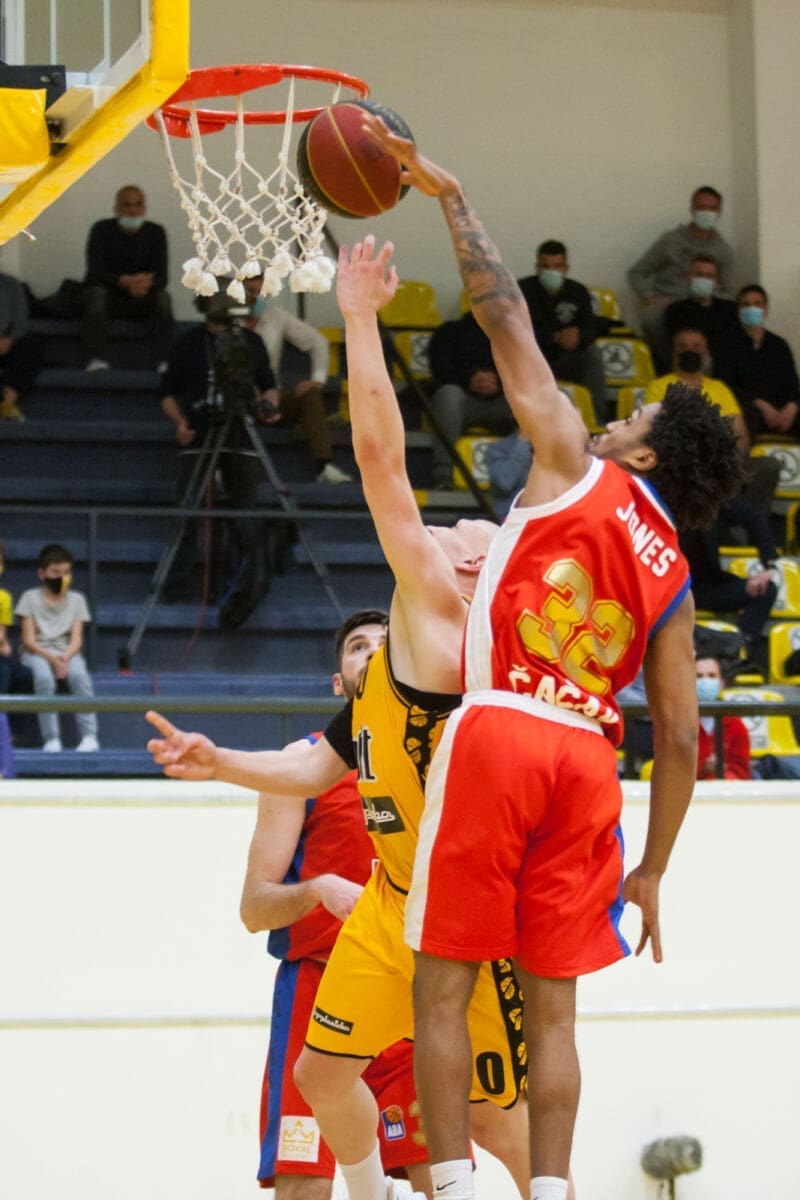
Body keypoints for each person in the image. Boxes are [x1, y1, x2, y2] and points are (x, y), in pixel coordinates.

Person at [355, 118, 743, 1200]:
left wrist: (451, 197)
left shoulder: (573, 459)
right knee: (556, 1011)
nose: (618, 418)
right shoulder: (673, 574)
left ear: (647, 450)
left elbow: (502, 314)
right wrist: (652, 868)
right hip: (587, 763)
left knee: (442, 980)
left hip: (505, 730)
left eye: (637, 416)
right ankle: (556, 1188)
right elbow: (679, 738)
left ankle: (451, 1184)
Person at [147, 237, 547, 1199]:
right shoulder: (385, 672)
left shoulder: (449, 624)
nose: (454, 527)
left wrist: (359, 318)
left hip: (457, 913)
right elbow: (314, 769)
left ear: (471, 573)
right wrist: (218, 759)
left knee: (499, 1118)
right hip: (386, 905)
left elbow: (378, 459)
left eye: (469, 532)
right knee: (321, 1076)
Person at [243, 608, 431, 1197]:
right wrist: (317, 889)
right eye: (357, 646)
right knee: (303, 1186)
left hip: (409, 988)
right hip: (317, 989)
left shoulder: (437, 754)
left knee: (441, 1177)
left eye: (385, 642)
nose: (372, 651)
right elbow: (253, 908)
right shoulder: (299, 764)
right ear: (337, 682)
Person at [159, 292, 278, 603]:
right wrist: (181, 423)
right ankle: (175, 582)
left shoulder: (251, 341)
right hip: (199, 433)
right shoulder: (187, 343)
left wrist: (267, 405)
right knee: (188, 511)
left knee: (244, 512)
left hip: (240, 433)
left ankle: (246, 586)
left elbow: (269, 385)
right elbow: (167, 393)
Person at [243, 277, 352, 484]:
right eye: (251, 291)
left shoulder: (276, 317)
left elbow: (318, 342)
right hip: (239, 396)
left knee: (309, 395)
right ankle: (218, 470)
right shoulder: (225, 321)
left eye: (261, 291)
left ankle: (324, 466)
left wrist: (317, 379)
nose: (257, 297)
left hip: (272, 396)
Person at [628, 185, 734, 372]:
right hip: (670, 304)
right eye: (702, 207)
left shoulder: (723, 251)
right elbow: (636, 272)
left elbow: (728, 291)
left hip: (704, 306)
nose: (707, 212)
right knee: (651, 316)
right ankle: (670, 368)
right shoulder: (670, 240)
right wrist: (650, 297)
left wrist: (712, 299)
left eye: (712, 208)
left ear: (719, 212)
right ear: (692, 209)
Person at [15, 543, 100, 752]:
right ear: (42, 573)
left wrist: (65, 657)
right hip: (36, 653)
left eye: (66, 572)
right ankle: (52, 739)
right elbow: (28, 641)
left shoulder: (78, 600)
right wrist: (52, 659)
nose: (62, 577)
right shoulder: (29, 598)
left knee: (80, 677)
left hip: (68, 653)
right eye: (55, 572)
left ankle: (90, 737)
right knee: (44, 678)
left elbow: (77, 639)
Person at [82, 184, 173, 370]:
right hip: (110, 297)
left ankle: (163, 361)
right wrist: (123, 282)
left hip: (142, 297)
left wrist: (142, 285)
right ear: (116, 209)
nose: (132, 210)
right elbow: (93, 274)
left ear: (144, 208)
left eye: (137, 205)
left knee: (163, 298)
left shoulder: (156, 232)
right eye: (127, 205)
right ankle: (95, 358)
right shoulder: (101, 230)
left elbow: (161, 278)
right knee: (95, 296)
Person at [679, 495, 779, 665]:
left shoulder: (708, 501)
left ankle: (739, 651)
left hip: (707, 587)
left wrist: (770, 564)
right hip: (669, 592)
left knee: (765, 590)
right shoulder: (658, 505)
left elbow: (752, 515)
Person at [517, 240, 608, 422]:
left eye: (557, 266)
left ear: (566, 269)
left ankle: (597, 420)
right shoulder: (521, 290)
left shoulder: (578, 291)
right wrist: (554, 337)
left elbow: (590, 328)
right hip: (533, 358)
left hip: (567, 358)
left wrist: (578, 336)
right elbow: (516, 331)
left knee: (593, 354)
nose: (551, 271)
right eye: (545, 266)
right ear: (537, 268)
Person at [426, 311, 517, 488]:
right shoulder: (449, 331)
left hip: (503, 402)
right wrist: (469, 379)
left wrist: (499, 382)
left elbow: (527, 372)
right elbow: (439, 369)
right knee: (448, 394)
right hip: (463, 401)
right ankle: (443, 474)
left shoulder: (512, 334)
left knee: (532, 400)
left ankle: (526, 478)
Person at [713, 284, 800, 439]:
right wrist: (761, 405)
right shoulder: (726, 344)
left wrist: (791, 407)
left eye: (757, 304)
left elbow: (793, 385)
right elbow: (726, 385)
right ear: (738, 310)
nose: (751, 308)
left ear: (765, 310)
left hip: (781, 408)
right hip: (748, 407)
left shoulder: (779, 345)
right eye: (746, 304)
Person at [663, 254, 738, 359]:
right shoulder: (675, 311)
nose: (704, 279)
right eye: (699, 274)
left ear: (715, 281)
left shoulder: (731, 309)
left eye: (709, 276)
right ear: (689, 277)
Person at [694, 655, 750, 780]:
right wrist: (702, 769)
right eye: (699, 676)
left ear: (722, 683)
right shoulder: (677, 724)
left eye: (712, 676)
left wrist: (724, 770)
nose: (705, 681)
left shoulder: (735, 724)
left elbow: (743, 770)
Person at [0, 267, 39, 420]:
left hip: (5, 342)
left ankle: (7, 402)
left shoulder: (10, 284)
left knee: (31, 344)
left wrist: (9, 339)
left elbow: (21, 322)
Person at [485, 427, 532, 520]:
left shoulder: (554, 447)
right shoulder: (498, 448)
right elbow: (505, 482)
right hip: (512, 519)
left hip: (547, 516)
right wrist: (523, 442)